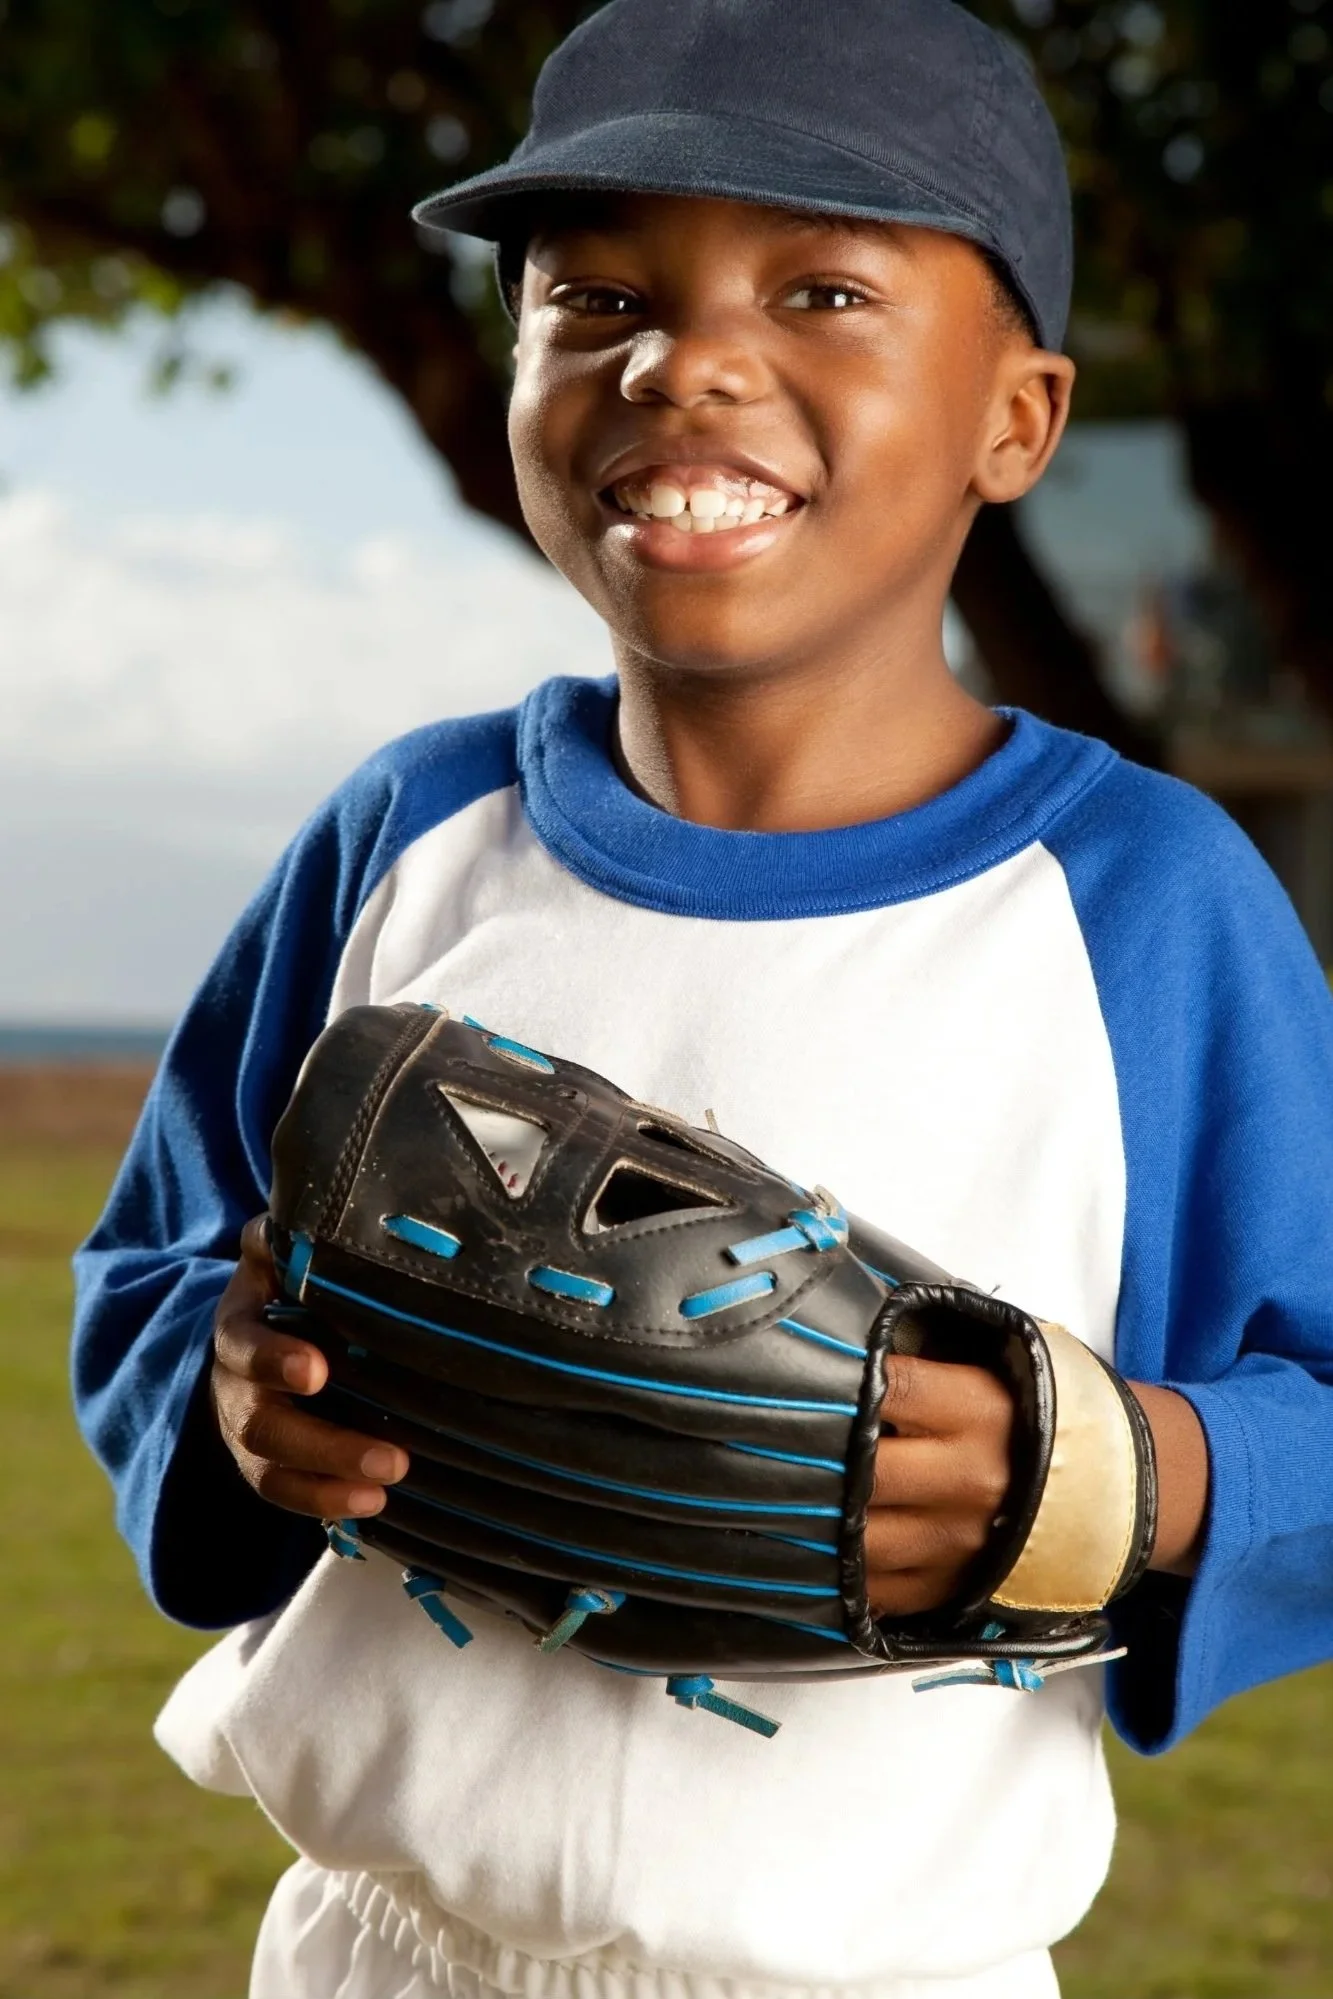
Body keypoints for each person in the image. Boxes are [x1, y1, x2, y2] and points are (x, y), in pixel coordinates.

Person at [72, 2, 1333, 1996]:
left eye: (825, 286)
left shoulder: (1141, 909)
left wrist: (1121, 1472)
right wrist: (233, 1413)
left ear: (1019, 417)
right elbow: (151, 1272)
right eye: (592, 297)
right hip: (373, 1953)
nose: (687, 361)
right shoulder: (405, 835)